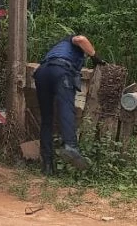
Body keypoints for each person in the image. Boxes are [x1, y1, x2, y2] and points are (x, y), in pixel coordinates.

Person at [35, 33, 105, 174]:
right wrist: (95, 56)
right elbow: (81, 39)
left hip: (41, 72)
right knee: (66, 109)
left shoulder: (58, 48)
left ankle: (47, 166)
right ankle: (71, 146)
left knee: (46, 120)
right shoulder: (71, 40)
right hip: (61, 71)